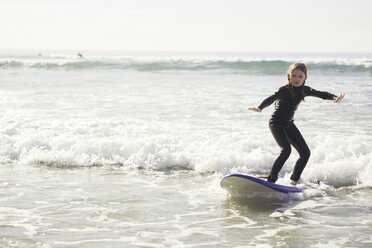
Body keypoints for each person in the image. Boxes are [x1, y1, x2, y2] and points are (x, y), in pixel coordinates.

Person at [249, 63, 345, 185]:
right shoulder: (284, 90)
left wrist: (334, 97)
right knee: (286, 150)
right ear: (288, 76)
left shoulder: (305, 90)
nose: (297, 79)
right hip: (276, 123)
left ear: (305, 78)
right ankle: (271, 180)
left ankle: (293, 182)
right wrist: (260, 107)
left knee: (305, 153)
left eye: (300, 76)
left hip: (289, 124)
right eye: (294, 75)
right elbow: (271, 98)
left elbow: (321, 94)